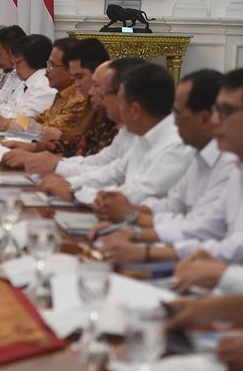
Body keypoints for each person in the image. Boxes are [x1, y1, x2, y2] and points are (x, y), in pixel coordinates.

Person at [89, 70, 240, 265]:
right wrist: (132, 225)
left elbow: (221, 242)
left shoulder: (226, 163)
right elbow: (180, 211)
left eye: (225, 111)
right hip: (196, 261)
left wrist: (136, 228)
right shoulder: (221, 162)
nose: (215, 120)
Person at [38, 63, 194, 206]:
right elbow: (113, 171)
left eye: (121, 101)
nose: (118, 108)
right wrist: (69, 182)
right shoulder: (142, 133)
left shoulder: (175, 145)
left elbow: (136, 194)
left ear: (135, 109)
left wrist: (74, 191)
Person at [20, 57, 144, 176]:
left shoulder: (81, 101)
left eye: (100, 88)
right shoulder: (122, 127)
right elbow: (95, 160)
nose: (92, 92)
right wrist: (36, 149)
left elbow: (111, 176)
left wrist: (56, 167)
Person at [0, 34, 57, 129]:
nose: (15, 67)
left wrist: (4, 123)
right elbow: (12, 109)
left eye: (18, 62)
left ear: (32, 60)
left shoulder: (44, 85)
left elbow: (32, 123)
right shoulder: (28, 82)